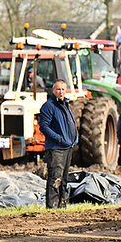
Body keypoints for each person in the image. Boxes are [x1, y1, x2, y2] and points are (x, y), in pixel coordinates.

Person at [39, 79, 77, 208]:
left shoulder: (65, 104)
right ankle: (52, 207)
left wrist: (72, 139)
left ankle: (62, 206)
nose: (60, 92)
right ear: (53, 90)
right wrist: (59, 139)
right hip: (56, 148)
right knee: (55, 178)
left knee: (64, 180)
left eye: (62, 89)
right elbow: (43, 126)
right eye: (58, 89)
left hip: (67, 147)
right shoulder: (49, 106)